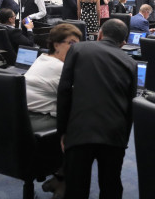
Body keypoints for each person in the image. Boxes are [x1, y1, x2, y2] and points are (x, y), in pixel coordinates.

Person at [57, 19, 137, 199]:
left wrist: (63, 131)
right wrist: (123, 140)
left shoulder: (78, 49)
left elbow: (64, 91)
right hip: (113, 133)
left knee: (76, 188)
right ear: (123, 43)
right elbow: (131, 106)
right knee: (111, 186)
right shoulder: (130, 63)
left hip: (80, 129)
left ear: (100, 34)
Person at [26, 22, 83, 199]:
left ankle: (59, 177)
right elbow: (79, 98)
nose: (76, 49)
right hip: (37, 123)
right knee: (83, 128)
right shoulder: (59, 68)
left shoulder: (42, 58)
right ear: (56, 44)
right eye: (71, 43)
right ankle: (65, 182)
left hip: (23, 118)